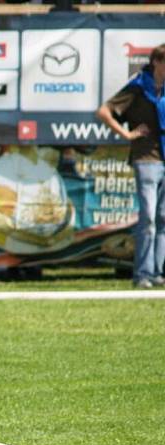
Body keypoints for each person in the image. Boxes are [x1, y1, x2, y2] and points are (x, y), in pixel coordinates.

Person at [97, 44, 165, 289]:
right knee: (147, 217)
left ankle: (157, 272)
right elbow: (104, 111)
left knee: (163, 218)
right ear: (157, 63)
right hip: (146, 158)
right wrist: (126, 134)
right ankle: (143, 274)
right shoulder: (137, 88)